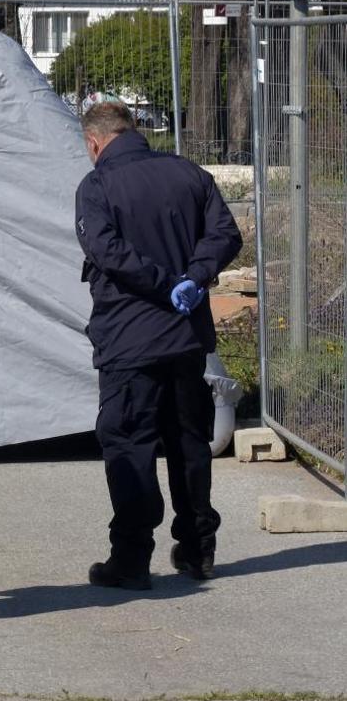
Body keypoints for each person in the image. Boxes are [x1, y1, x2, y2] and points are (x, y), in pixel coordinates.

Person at [75, 102, 243, 589]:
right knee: (188, 441)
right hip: (186, 338)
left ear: (94, 142)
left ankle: (131, 558)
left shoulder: (97, 186)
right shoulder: (189, 174)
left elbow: (106, 251)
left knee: (129, 443)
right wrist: (193, 277)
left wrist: (162, 282)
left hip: (129, 339)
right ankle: (198, 548)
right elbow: (225, 234)